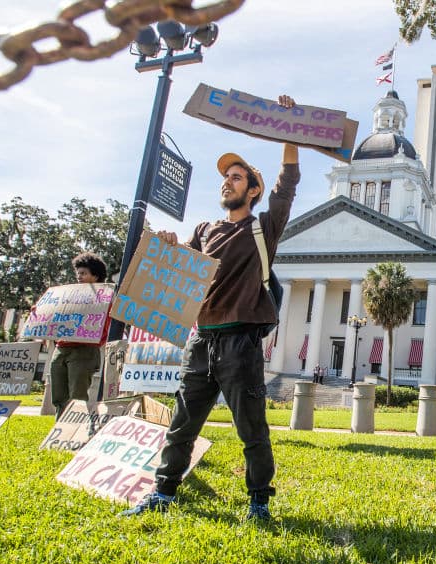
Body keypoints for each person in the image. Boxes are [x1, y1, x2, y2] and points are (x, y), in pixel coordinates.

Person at [121, 95, 301, 522]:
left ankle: (259, 502)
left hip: (241, 341)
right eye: (225, 177)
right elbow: (185, 270)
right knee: (183, 424)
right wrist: (168, 245)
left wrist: (290, 129)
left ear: (252, 190)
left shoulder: (264, 226)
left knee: (252, 429)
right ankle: (163, 493)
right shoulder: (204, 228)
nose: (228, 182)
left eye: (237, 178)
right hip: (201, 340)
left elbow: (287, 183)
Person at [49, 252, 110, 418]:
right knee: (59, 395)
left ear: (95, 276)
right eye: (78, 273)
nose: (79, 277)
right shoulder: (67, 296)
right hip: (61, 348)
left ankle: (75, 433)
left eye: (83, 273)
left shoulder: (104, 299)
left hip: (84, 350)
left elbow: (105, 326)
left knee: (77, 397)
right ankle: (59, 431)